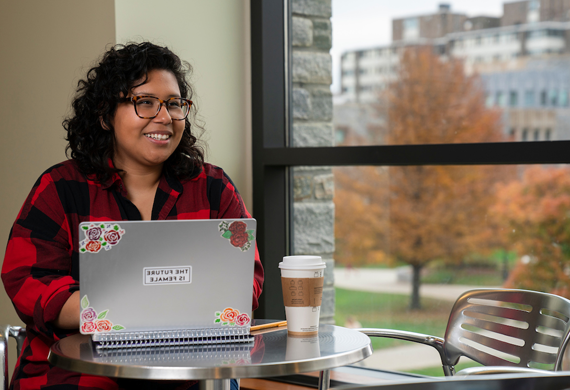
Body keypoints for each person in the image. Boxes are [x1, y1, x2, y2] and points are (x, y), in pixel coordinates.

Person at [1, 42, 264, 390]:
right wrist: (124, 311)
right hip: (78, 376)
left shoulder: (213, 188)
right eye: (145, 102)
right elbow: (27, 277)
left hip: (188, 374)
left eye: (174, 104)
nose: (165, 116)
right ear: (105, 114)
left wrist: (142, 305)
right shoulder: (61, 187)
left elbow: (245, 283)